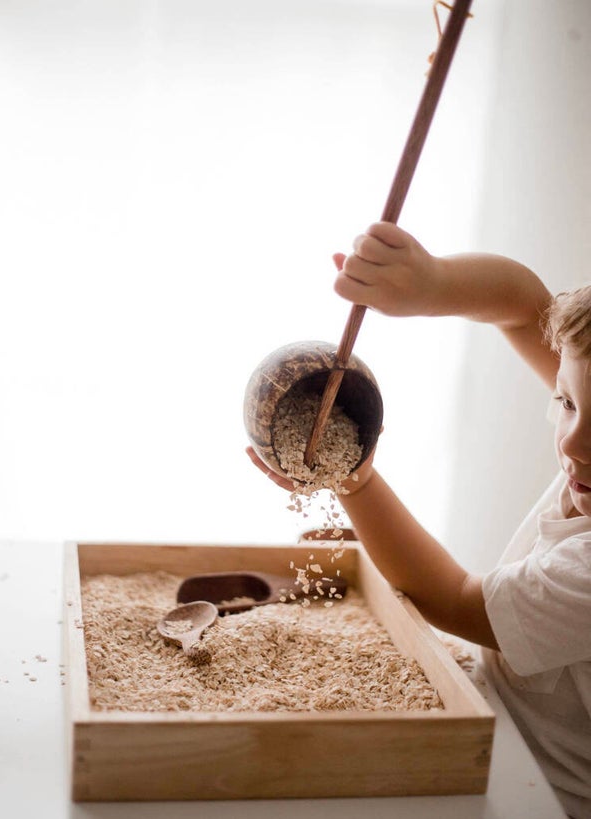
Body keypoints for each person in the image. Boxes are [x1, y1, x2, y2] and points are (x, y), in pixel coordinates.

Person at [246, 221, 591, 819]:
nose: (572, 442)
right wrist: (432, 283)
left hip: (538, 787)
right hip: (491, 708)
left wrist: (356, 480)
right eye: (566, 401)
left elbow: (454, 600)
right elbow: (521, 304)